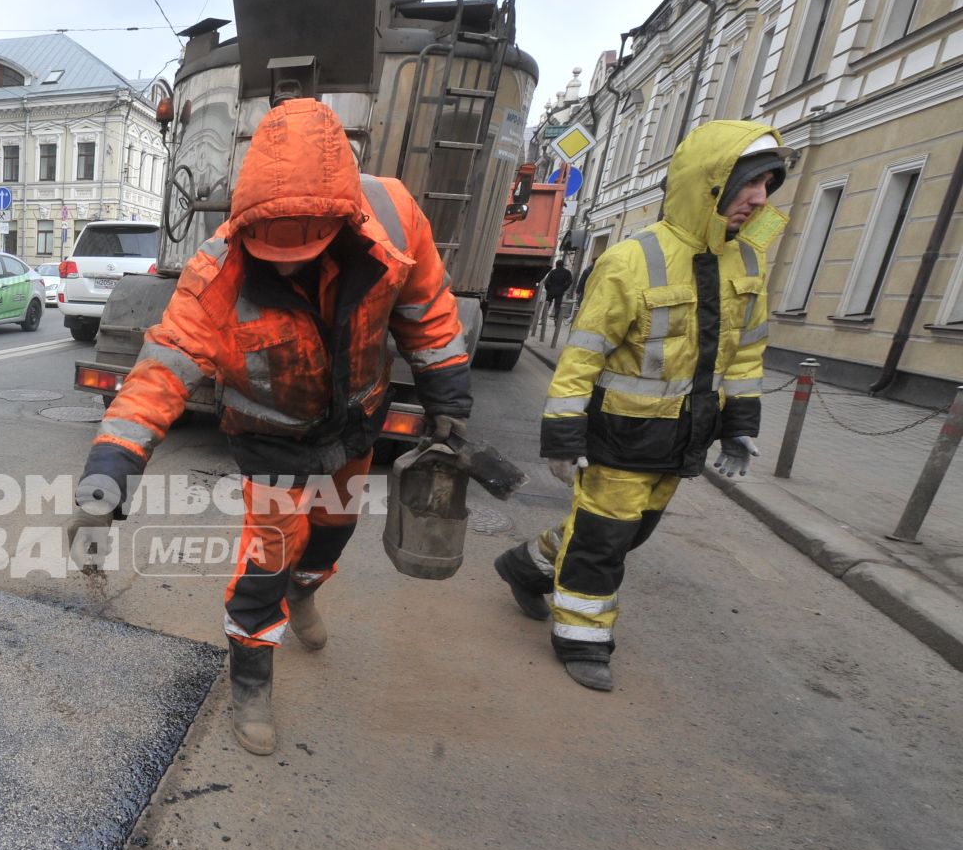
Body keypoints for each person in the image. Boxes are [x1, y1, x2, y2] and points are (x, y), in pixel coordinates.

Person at [65, 99, 473, 756]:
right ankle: (251, 672)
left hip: (353, 424)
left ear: (343, 218)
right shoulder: (219, 269)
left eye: (301, 252)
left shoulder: (394, 217)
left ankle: (308, 588)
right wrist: (107, 474)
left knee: (332, 533)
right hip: (273, 442)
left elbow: (427, 314)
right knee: (269, 555)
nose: (284, 265)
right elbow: (160, 374)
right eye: (271, 251)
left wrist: (449, 402)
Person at [494, 121, 788, 691]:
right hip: (619, 436)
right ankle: (582, 637)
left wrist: (739, 429)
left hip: (682, 439)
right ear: (709, 184)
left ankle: (525, 565)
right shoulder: (630, 260)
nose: (759, 199)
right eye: (748, 183)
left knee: (629, 533)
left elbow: (747, 356)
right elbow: (581, 358)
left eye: (768, 185)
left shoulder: (748, 262)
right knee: (605, 541)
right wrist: (562, 437)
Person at [541, 258, 574, 337]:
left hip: (551, 290)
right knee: (557, 306)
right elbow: (570, 281)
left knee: (547, 305)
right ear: (563, 265)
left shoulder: (553, 272)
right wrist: (564, 288)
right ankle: (556, 321)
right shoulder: (567, 272)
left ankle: (543, 319)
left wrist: (548, 288)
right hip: (560, 291)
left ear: (556, 265)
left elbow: (546, 281)